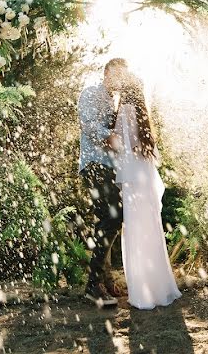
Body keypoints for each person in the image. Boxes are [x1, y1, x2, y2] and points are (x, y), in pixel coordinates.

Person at [108, 70, 181, 309]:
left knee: (136, 231)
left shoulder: (124, 113)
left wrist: (108, 138)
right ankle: (161, 287)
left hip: (132, 179)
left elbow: (118, 145)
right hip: (145, 176)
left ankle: (143, 293)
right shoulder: (142, 115)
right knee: (151, 229)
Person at [78, 58, 125, 307]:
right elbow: (88, 126)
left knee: (108, 221)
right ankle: (93, 285)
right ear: (107, 73)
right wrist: (114, 138)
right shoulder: (91, 93)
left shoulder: (113, 100)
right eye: (117, 75)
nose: (120, 81)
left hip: (109, 167)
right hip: (94, 165)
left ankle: (102, 280)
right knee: (112, 218)